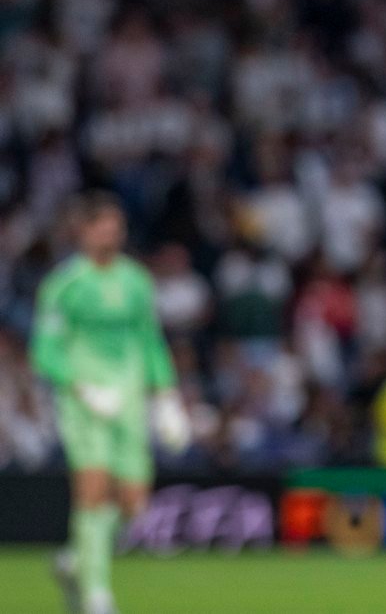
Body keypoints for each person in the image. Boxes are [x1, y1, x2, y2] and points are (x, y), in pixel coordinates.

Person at [29, 192, 191, 614]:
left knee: (135, 503)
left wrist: (167, 395)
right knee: (94, 490)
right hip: (84, 401)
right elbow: (44, 351)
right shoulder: (64, 284)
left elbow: (151, 340)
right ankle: (97, 595)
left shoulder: (136, 281)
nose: (110, 235)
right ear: (82, 231)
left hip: (130, 399)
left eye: (116, 227)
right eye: (102, 227)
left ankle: (75, 560)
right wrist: (81, 387)